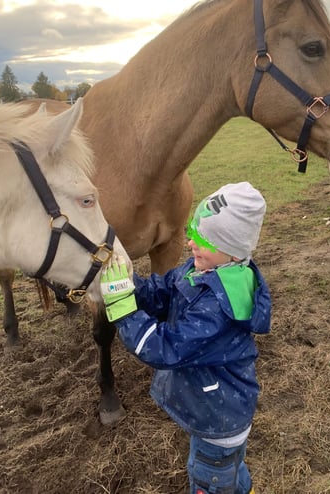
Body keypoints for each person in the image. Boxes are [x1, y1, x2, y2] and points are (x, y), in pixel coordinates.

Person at [100, 181, 271, 494]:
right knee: (232, 471)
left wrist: (123, 310)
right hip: (216, 410)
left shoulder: (219, 308)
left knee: (209, 477)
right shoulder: (203, 269)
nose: (191, 241)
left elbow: (163, 347)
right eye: (193, 230)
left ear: (231, 249)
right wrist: (130, 283)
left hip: (218, 425)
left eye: (203, 239)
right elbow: (162, 291)